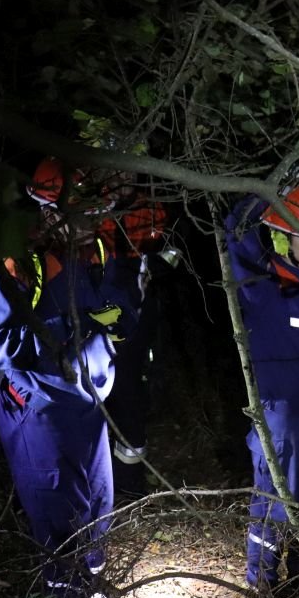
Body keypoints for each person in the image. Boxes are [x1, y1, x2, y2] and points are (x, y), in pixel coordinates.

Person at [0, 156, 135, 598]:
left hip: (88, 404)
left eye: (98, 213)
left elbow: (110, 315)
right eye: (85, 216)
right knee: (55, 508)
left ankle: (92, 580)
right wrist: (56, 345)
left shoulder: (96, 253)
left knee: (99, 501)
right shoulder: (23, 267)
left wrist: (113, 326)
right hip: (39, 412)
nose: (95, 224)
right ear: (51, 211)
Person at [224, 186, 299, 591]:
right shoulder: (263, 285)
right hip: (279, 414)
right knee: (272, 506)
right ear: (279, 237)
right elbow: (235, 230)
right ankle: (263, 587)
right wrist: (268, 192)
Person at [97, 177, 178, 501]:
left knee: (131, 398)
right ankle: (98, 485)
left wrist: (150, 264)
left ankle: (129, 486)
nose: (122, 181)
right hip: (97, 320)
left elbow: (172, 253)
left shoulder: (152, 207)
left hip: (138, 317)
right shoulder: (89, 208)